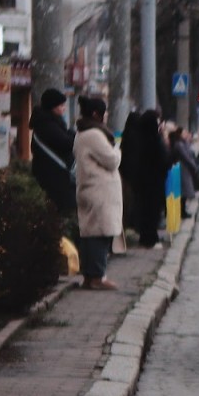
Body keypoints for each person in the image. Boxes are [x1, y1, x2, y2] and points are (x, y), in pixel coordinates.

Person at [74, 96, 122, 289]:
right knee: (99, 233)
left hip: (91, 189)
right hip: (98, 191)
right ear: (96, 114)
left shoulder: (82, 133)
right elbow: (112, 160)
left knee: (91, 232)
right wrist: (118, 149)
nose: (107, 114)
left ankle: (90, 275)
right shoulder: (93, 135)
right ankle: (97, 277)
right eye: (104, 111)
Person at [120, 108, 169, 248]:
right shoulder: (152, 140)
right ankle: (149, 239)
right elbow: (162, 159)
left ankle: (146, 236)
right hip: (152, 183)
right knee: (151, 212)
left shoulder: (138, 138)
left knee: (145, 210)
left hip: (142, 182)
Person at [29, 88, 75, 212]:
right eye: (61, 105)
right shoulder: (46, 124)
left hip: (55, 176)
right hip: (53, 178)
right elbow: (67, 143)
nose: (64, 108)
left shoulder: (49, 122)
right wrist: (72, 134)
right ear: (52, 106)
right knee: (62, 212)